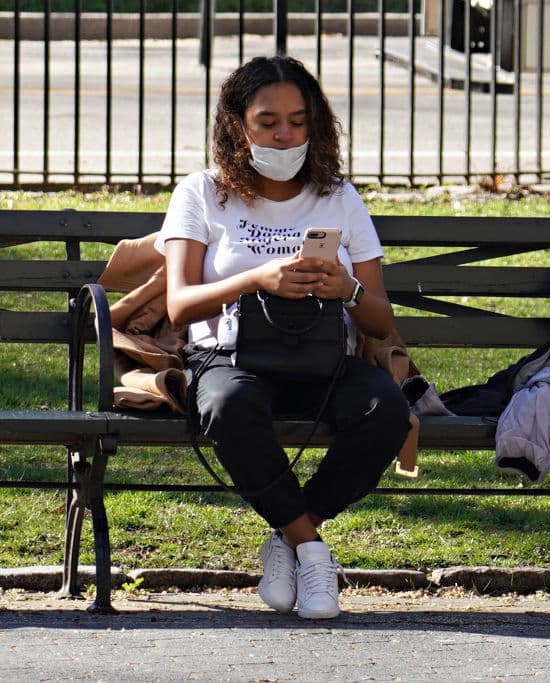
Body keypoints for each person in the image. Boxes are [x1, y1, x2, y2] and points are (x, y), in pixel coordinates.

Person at [157, 55, 411, 619]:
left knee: (385, 409)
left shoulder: (338, 197)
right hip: (230, 357)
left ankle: (289, 534)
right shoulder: (203, 193)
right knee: (230, 405)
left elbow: (379, 322)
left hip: (322, 359)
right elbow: (178, 307)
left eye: (298, 122)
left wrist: (346, 289)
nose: (284, 135)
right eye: (268, 122)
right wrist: (257, 279)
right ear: (236, 125)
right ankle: (313, 552)